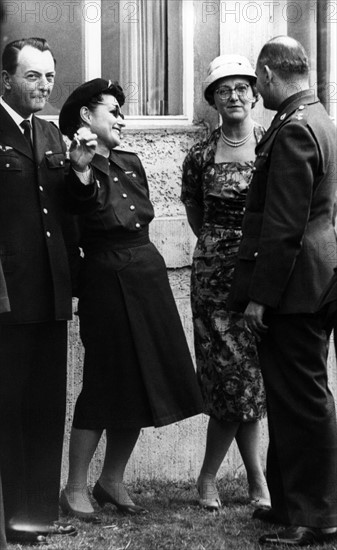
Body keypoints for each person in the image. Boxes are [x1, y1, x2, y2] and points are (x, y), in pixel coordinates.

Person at [57, 78, 204, 521]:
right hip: (106, 279)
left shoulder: (129, 161)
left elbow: (140, 216)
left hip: (146, 274)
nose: (121, 117)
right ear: (86, 116)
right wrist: (81, 170)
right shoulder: (70, 165)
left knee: (146, 381)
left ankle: (112, 479)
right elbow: (78, 214)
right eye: (112, 109)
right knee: (104, 383)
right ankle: (75, 487)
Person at [229, 36, 337, 546]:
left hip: (295, 286)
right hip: (313, 277)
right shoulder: (316, 117)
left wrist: (260, 296)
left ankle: (315, 516)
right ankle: (292, 503)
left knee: (302, 400)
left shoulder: (295, 129)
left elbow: (284, 226)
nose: (257, 89)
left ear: (270, 74)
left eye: (257, 80)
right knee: (293, 394)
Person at [181, 55, 270, 511]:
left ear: (255, 95)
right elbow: (196, 212)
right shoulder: (198, 154)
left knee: (249, 379)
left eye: (241, 88)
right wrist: (222, 247)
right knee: (229, 378)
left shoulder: (272, 144)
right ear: (212, 100)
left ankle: (228, 477)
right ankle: (244, 481)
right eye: (223, 89)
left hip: (262, 277)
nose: (232, 96)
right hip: (214, 281)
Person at [0, 38, 78, 545]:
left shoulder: (51, 134)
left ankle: (41, 514)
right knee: (10, 408)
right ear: (6, 78)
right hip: (8, 298)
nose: (44, 86)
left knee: (48, 408)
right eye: (33, 77)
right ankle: (13, 517)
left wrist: (84, 170)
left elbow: (66, 211)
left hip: (50, 294)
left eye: (49, 77)